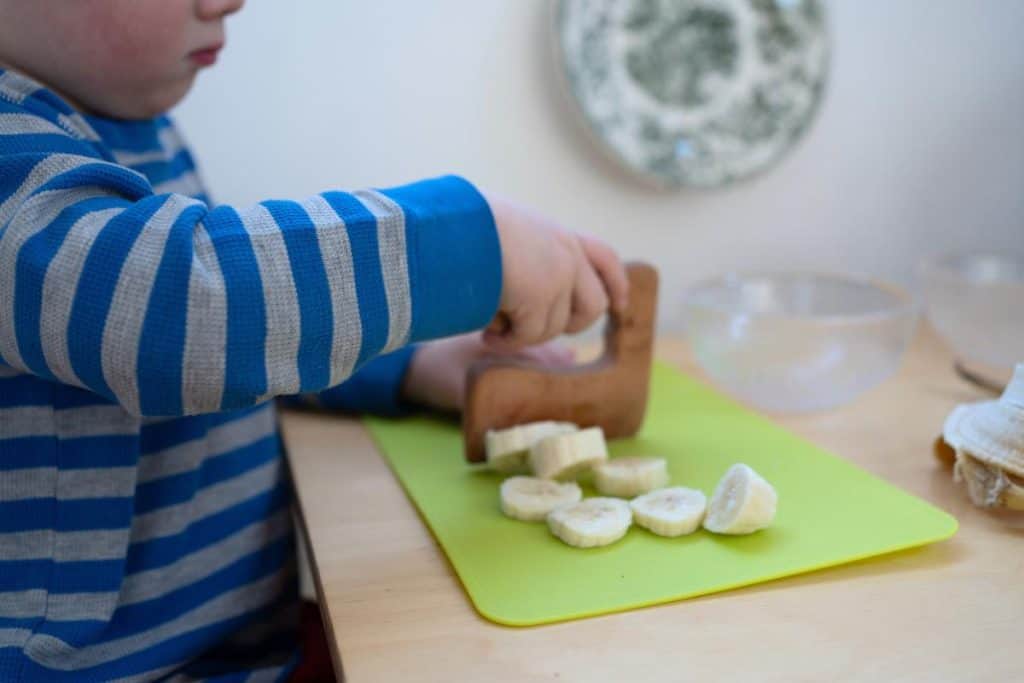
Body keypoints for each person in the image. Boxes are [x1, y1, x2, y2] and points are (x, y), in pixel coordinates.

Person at [0, 1, 629, 680]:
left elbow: (238, 343)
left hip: (245, 645)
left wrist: (409, 363)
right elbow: (173, 311)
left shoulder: (126, 125)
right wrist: (470, 241)